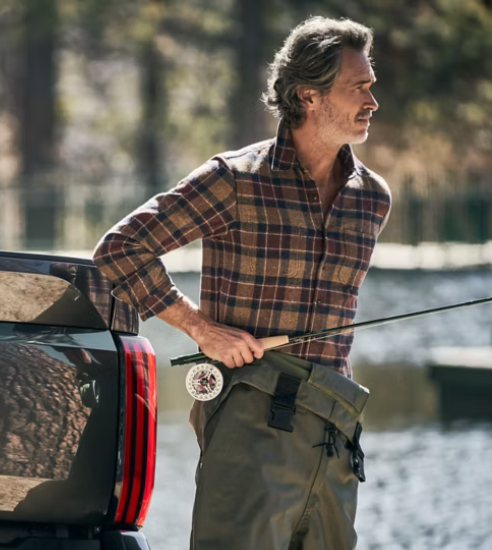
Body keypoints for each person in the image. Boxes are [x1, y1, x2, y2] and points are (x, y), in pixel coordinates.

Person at [93, 16, 389, 550]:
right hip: (248, 417)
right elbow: (120, 249)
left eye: (371, 86)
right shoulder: (234, 180)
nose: (372, 101)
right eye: (358, 87)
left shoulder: (372, 197)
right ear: (309, 95)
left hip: (335, 427)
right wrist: (201, 329)